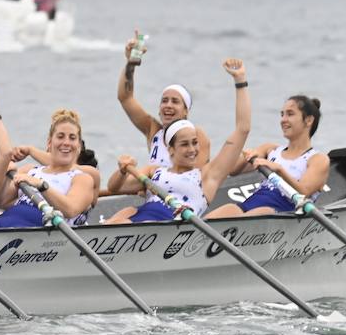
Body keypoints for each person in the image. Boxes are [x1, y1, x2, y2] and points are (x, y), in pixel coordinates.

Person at [104, 59, 251, 223]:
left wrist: (240, 81)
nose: (193, 149)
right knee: (126, 211)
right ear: (170, 149)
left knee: (230, 209)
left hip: (172, 223)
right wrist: (122, 171)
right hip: (142, 215)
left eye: (194, 143)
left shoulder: (206, 175)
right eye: (185, 144)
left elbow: (242, 129)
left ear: (186, 110)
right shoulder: (154, 170)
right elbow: (114, 187)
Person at [107, 37, 212, 195]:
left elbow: (194, 179)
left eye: (175, 101)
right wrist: (130, 64)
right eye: (164, 101)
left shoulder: (197, 135)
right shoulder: (153, 130)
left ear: (186, 111)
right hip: (153, 200)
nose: (168, 105)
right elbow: (125, 98)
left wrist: (149, 180)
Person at [0, 109, 97, 230]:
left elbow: (70, 209)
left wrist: (41, 185)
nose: (66, 142)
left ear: (79, 146)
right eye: (60, 136)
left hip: (41, 233)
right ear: (49, 143)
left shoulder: (82, 178)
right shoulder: (31, 171)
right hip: (7, 222)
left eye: (72, 138)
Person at [207, 95, 329, 219]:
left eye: (290, 114)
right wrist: (246, 156)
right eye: (282, 114)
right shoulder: (270, 149)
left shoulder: (318, 159)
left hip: (282, 212)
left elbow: (303, 192)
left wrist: (279, 170)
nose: (283, 120)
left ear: (308, 120)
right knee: (229, 209)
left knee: (262, 211)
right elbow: (232, 170)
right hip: (250, 205)